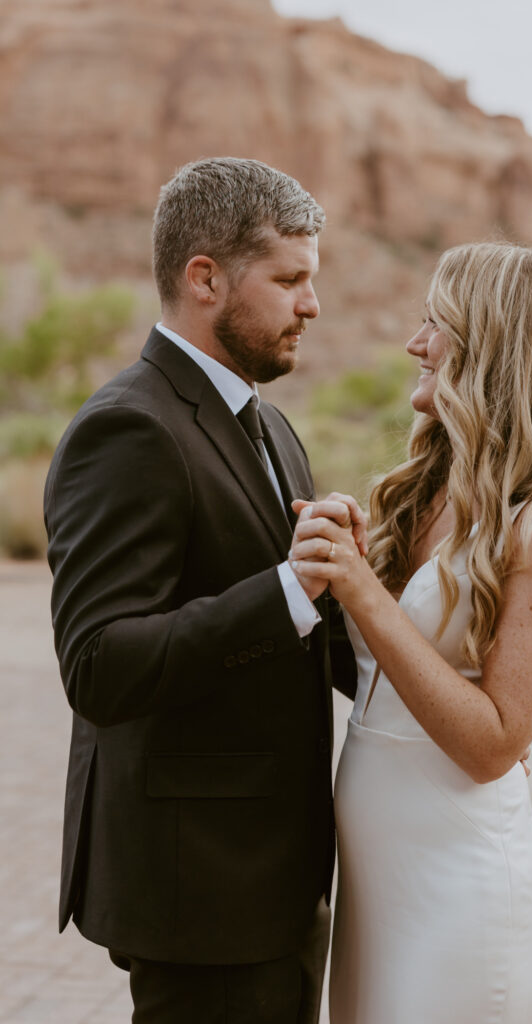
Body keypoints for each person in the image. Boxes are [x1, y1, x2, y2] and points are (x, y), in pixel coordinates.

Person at [288, 242, 532, 1023]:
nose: (414, 343)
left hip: (459, 898)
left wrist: (360, 588)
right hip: (376, 887)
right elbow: (388, 671)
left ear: (494, 341)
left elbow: (492, 744)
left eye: (435, 321)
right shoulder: (434, 488)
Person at [44, 157, 363, 1024]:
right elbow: (101, 664)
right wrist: (289, 590)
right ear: (204, 278)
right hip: (199, 890)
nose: (312, 303)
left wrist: (439, 699)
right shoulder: (128, 428)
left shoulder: (270, 426)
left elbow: (305, 624)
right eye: (290, 279)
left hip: (279, 876)